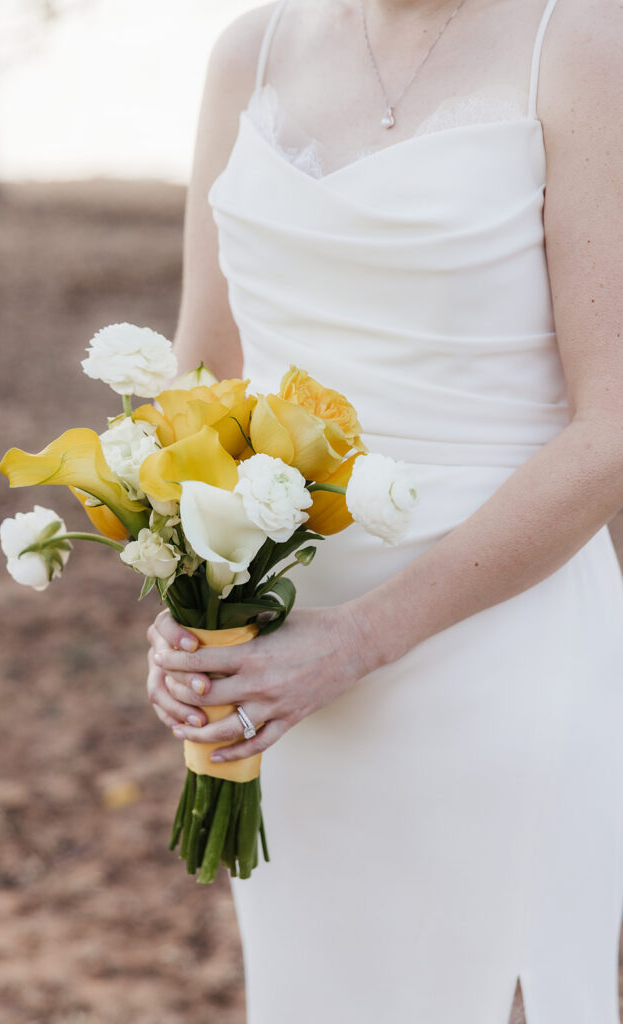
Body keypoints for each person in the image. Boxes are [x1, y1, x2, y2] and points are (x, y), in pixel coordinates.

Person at [146, 0, 623, 1021]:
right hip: (282, 680)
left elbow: (611, 428)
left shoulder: (580, 42)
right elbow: (202, 383)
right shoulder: (247, 52)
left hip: (505, 641)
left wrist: (360, 639)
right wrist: (187, 603)